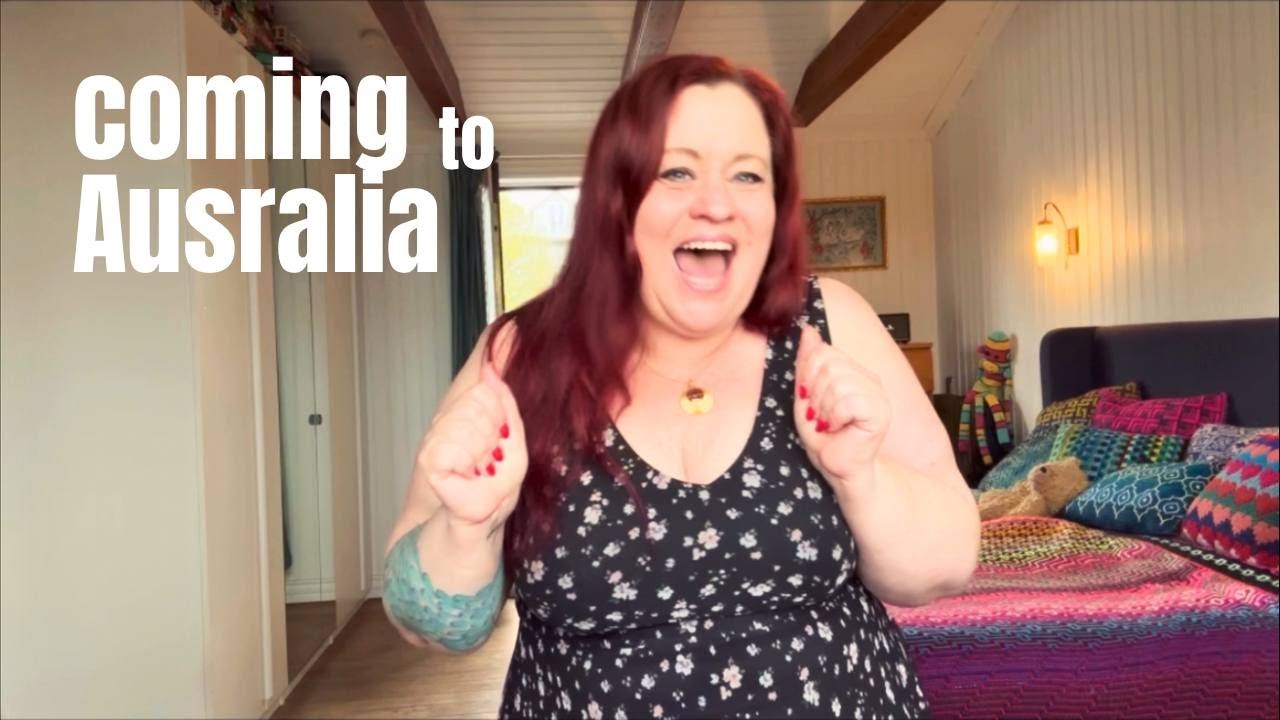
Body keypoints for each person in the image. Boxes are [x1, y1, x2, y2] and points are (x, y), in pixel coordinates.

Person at [381, 54, 980, 718]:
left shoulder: (833, 324)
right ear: (617, 198)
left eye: (748, 175)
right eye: (676, 171)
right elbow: (429, 626)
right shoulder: (519, 355)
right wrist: (468, 527)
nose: (717, 204)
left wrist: (861, 478)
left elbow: (946, 567)